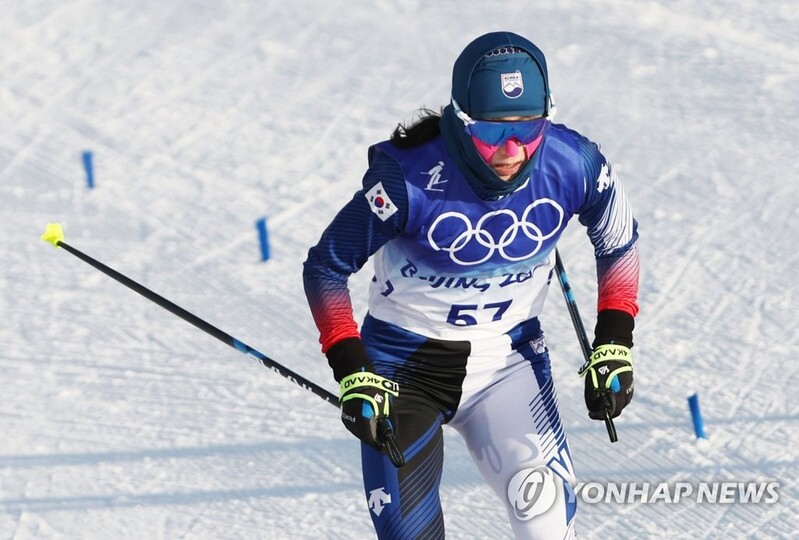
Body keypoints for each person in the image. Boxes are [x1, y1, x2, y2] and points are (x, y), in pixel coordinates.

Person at [303, 30, 639, 539]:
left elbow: (618, 242)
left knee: (546, 521)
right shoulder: (407, 182)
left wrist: (614, 342)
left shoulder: (575, 163)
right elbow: (326, 268)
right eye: (489, 132)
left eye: (528, 130)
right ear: (459, 120)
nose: (511, 150)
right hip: (403, 371)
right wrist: (353, 369)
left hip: (508, 363)